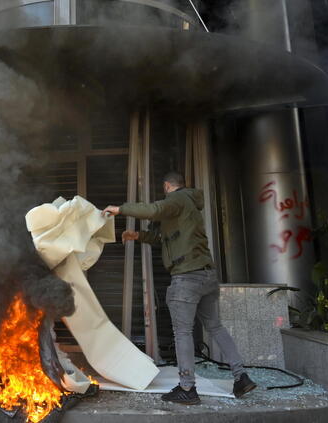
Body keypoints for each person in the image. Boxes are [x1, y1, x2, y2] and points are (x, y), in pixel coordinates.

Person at [102, 172, 256, 405]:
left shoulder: (178, 199)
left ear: (167, 186)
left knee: (182, 332)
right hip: (206, 275)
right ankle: (241, 377)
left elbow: (153, 210)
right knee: (215, 326)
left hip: (187, 278)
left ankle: (187, 388)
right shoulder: (188, 205)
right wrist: (137, 235)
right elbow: (165, 238)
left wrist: (120, 209)